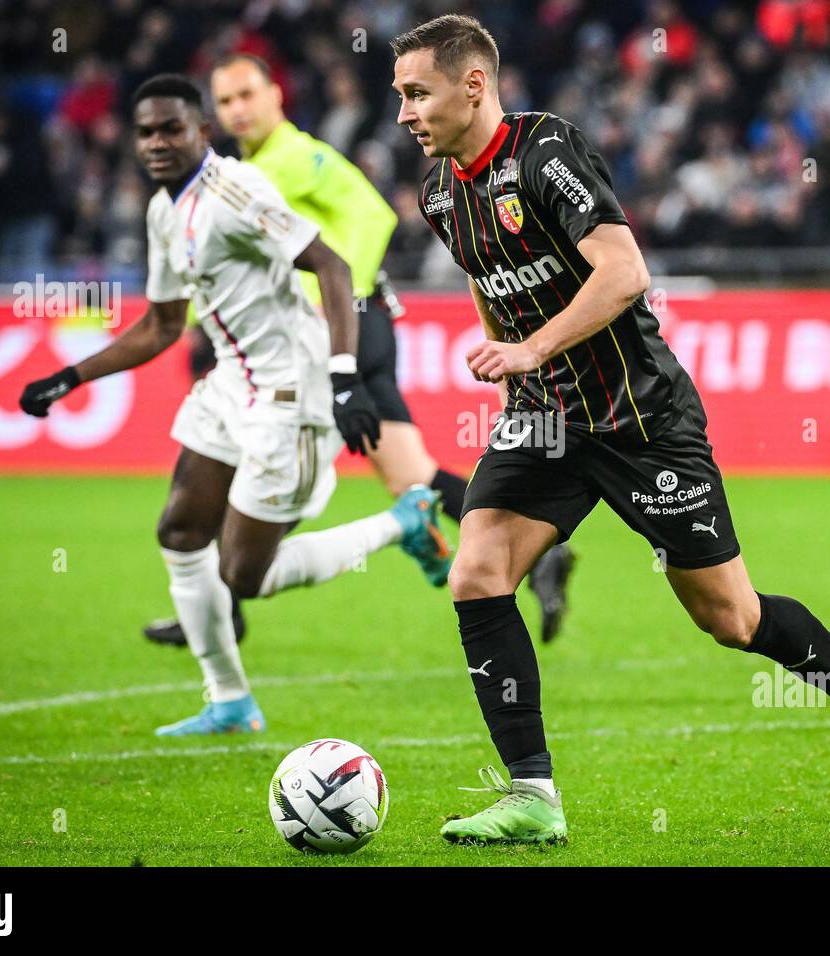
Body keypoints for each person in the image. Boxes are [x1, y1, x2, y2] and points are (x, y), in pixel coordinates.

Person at [390, 15, 830, 844]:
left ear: (473, 84)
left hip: (642, 421)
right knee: (478, 572)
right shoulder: (441, 191)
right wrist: (514, 372)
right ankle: (533, 798)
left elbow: (625, 271)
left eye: (418, 93)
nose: (406, 113)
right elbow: (490, 282)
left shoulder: (546, 154)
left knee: (729, 619)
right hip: (548, 421)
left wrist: (532, 347)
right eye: (400, 97)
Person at [19, 74, 449, 735]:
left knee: (246, 575)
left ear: (201, 132)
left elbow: (331, 264)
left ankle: (405, 523)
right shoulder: (166, 210)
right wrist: (72, 377)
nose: (157, 142)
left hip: (291, 392)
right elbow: (163, 324)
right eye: (145, 132)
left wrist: (343, 377)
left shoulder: (237, 190)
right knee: (180, 533)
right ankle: (229, 702)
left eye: (171, 129)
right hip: (230, 385)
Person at [141, 52, 577, 649]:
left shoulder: (297, 157)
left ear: (276, 95)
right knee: (409, 475)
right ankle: (541, 546)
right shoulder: (243, 173)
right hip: (344, 328)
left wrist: (336, 303)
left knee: (255, 449)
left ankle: (227, 593)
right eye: (225, 101)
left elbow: (371, 218)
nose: (237, 110)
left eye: (247, 95)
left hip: (347, 327)